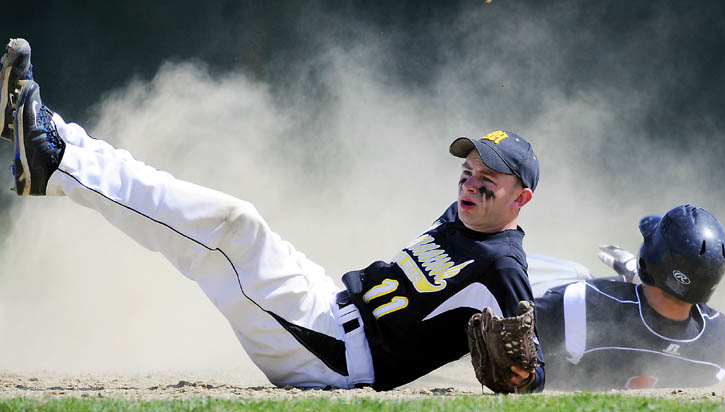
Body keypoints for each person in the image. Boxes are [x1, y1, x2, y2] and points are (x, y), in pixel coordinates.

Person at [1, 39, 545, 392]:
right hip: (329, 305)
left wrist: (522, 376)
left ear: (521, 199)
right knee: (233, 223)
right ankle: (50, 133)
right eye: (468, 170)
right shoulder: (462, 214)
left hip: (334, 356)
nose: (469, 184)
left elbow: (533, 375)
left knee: (232, 225)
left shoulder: (501, 266)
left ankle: (57, 162)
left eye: (487, 180)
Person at [527, 205, 725, 390]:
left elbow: (514, 320)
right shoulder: (720, 338)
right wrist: (652, 279)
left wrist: (639, 279)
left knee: (577, 272)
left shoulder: (586, 304)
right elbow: (680, 302)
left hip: (552, 363)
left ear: (648, 262)